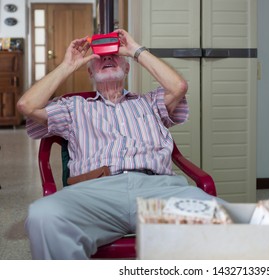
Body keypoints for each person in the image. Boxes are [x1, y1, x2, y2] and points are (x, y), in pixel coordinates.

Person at [17, 29, 220, 259]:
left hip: (159, 190)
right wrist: (67, 65)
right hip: (94, 194)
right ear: (90, 72)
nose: (107, 57)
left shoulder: (150, 102)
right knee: (43, 215)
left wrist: (135, 51)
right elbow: (27, 106)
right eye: (99, 57)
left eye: (115, 55)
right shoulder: (73, 107)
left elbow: (179, 87)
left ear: (127, 68)